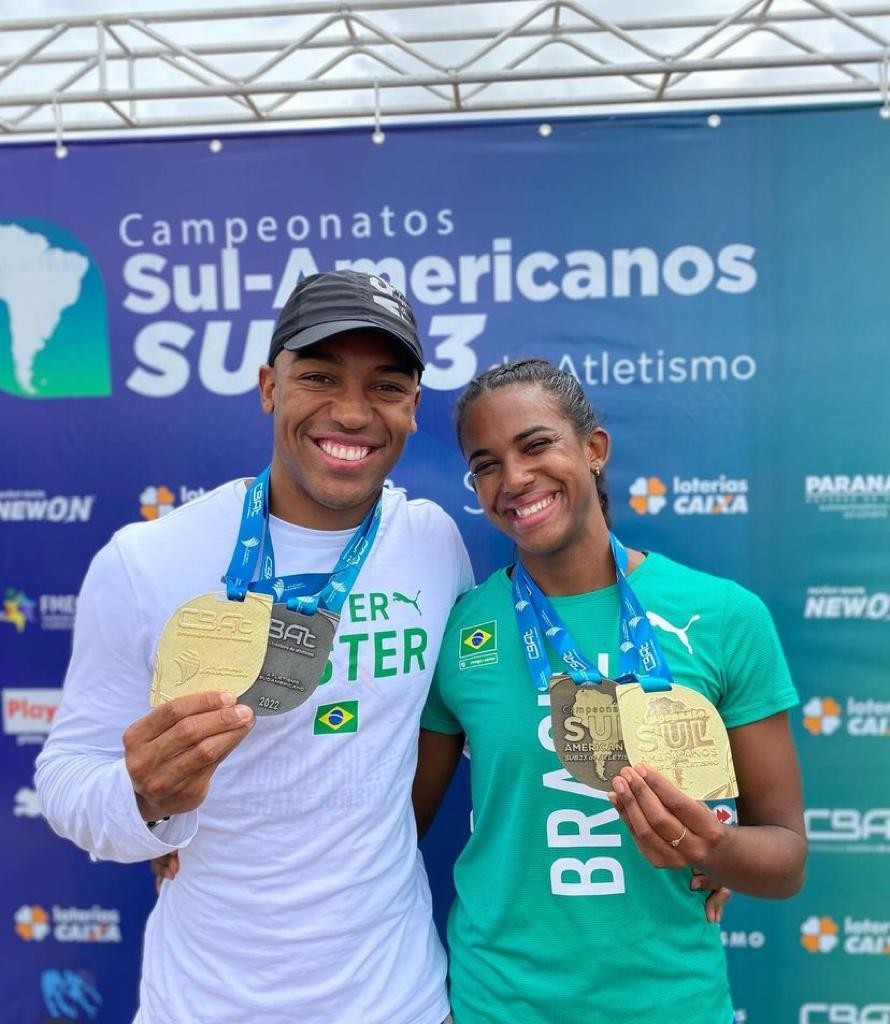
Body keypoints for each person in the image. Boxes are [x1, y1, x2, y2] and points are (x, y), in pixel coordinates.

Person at [35, 270, 472, 1024]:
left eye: (386, 386)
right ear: (270, 386)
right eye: (319, 377)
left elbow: (468, 719)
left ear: (413, 408)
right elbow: (67, 779)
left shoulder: (433, 543)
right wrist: (144, 799)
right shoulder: (148, 559)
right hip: (206, 1003)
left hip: (395, 1000)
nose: (351, 412)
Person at [414, 358, 806, 1024]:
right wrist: (180, 821)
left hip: (672, 1003)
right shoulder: (458, 629)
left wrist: (716, 850)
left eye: (536, 445)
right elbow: (391, 829)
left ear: (594, 450)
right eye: (486, 463)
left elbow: (786, 858)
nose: (513, 479)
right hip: (498, 1004)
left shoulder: (724, 615)